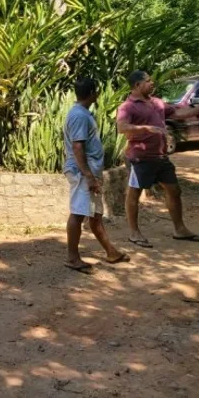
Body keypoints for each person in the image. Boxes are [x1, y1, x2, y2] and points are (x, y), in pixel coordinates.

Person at [117, 70, 199, 247]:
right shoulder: (127, 107)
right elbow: (122, 127)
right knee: (134, 193)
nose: (152, 83)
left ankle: (179, 229)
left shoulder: (157, 103)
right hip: (140, 157)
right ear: (137, 85)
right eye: (148, 81)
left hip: (161, 156)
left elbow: (179, 114)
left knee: (174, 190)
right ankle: (134, 233)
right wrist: (146, 129)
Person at [63, 78, 130, 272]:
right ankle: (73, 258)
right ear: (93, 92)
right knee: (78, 212)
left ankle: (111, 251)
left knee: (95, 214)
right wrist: (88, 176)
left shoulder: (82, 113)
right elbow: (77, 146)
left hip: (89, 172)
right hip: (83, 172)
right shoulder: (79, 116)